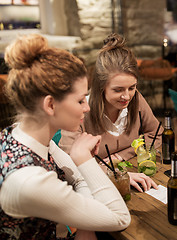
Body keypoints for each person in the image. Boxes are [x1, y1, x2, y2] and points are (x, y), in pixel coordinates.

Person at [0, 34, 131, 239]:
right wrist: (83, 158)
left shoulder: (22, 135)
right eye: (80, 101)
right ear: (50, 105)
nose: (87, 108)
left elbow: (79, 180)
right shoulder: (28, 180)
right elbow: (120, 219)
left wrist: (85, 220)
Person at [60, 33, 161, 192]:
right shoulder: (80, 110)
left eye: (132, 88)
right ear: (101, 87)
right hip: (94, 188)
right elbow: (68, 165)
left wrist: (122, 155)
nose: (127, 96)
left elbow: (156, 133)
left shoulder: (136, 99)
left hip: (133, 176)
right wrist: (115, 173)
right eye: (118, 90)